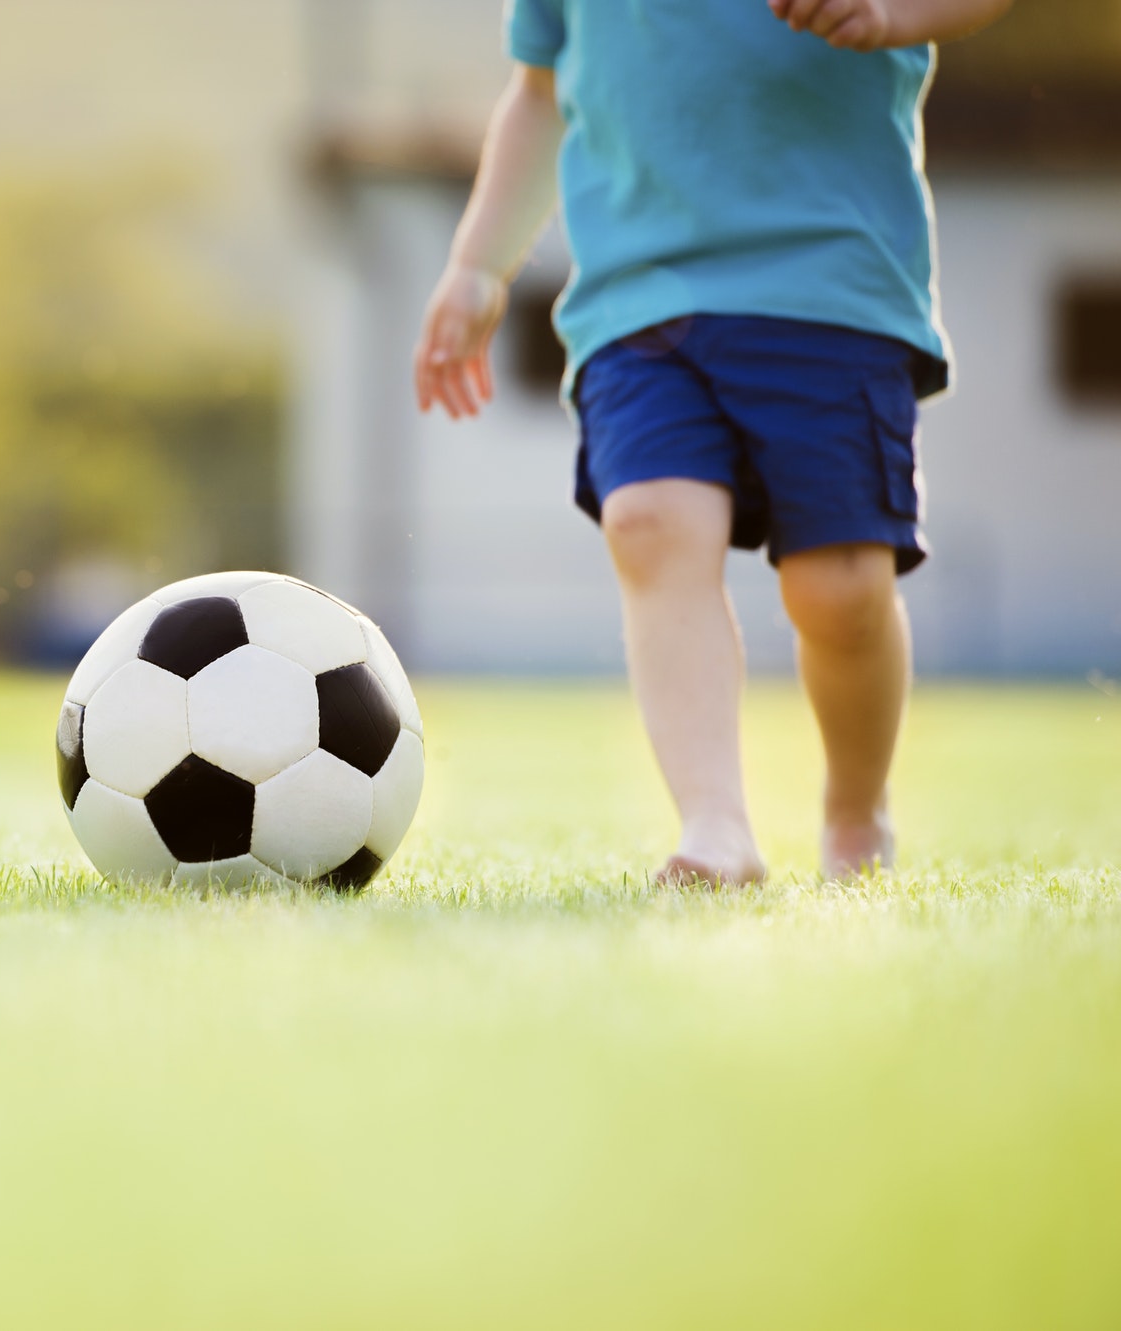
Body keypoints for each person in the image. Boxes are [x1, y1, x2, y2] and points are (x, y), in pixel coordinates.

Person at [413, 0, 1017, 885]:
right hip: (637, 294)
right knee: (651, 522)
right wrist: (476, 265)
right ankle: (716, 828)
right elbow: (539, 94)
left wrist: (892, 13)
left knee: (841, 587)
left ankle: (857, 810)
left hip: (830, 286)